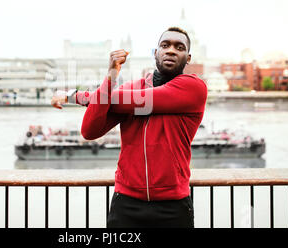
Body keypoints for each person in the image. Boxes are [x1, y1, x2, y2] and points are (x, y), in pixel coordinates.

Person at [51, 27, 207, 228]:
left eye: (179, 47)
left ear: (188, 58)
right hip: (126, 203)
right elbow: (90, 131)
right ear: (155, 53)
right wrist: (111, 76)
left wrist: (74, 96)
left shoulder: (193, 88)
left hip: (173, 205)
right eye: (165, 45)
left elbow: (142, 101)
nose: (171, 51)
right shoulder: (130, 89)